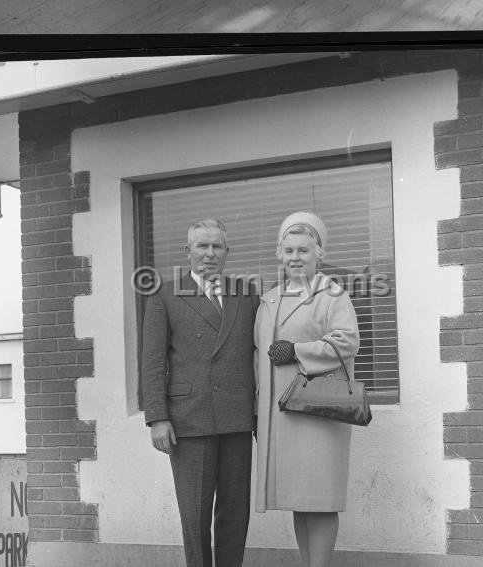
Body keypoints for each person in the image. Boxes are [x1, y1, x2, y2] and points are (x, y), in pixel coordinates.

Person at [141, 218, 259, 567]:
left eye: (217, 246)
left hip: (237, 416)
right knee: (195, 516)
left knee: (235, 513)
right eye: (202, 246)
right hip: (188, 419)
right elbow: (151, 360)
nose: (209, 254)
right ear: (187, 251)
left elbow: (257, 354)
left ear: (227, 251)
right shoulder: (165, 294)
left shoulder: (246, 294)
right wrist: (157, 418)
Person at [254, 211, 360, 567]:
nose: (295, 258)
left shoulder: (333, 294)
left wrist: (297, 351)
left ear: (319, 254)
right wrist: (258, 409)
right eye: (289, 250)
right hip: (281, 415)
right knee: (299, 499)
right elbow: (258, 358)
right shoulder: (268, 300)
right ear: (278, 254)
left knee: (321, 498)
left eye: (303, 250)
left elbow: (347, 343)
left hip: (318, 411)